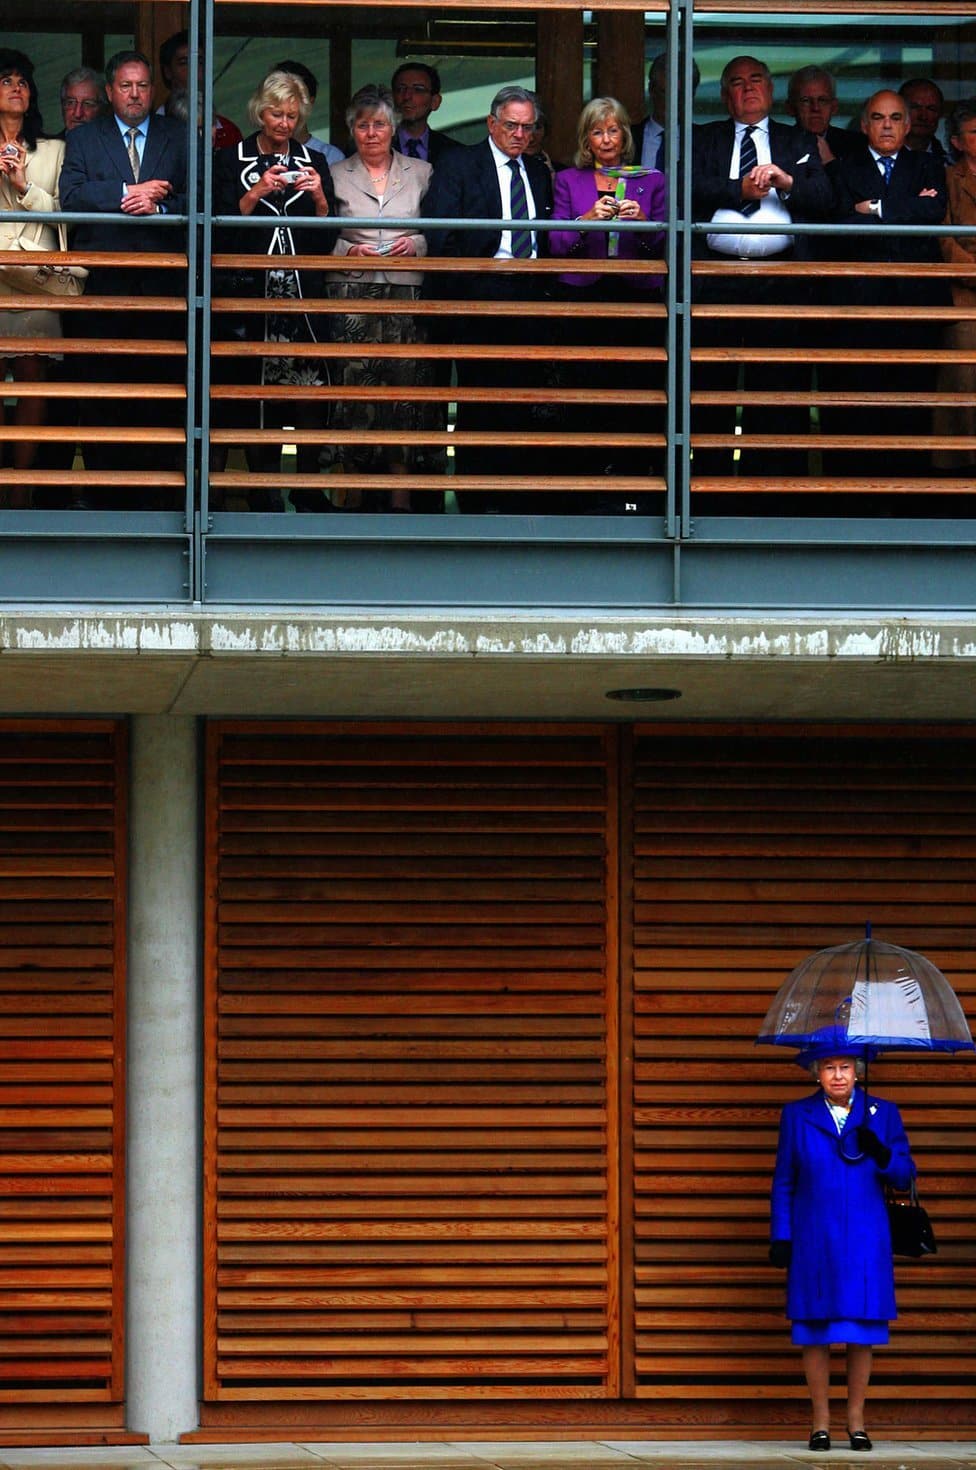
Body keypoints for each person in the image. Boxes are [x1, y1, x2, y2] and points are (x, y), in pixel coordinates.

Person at [691, 55, 832, 480]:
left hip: (781, 280)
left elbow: (825, 198)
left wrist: (787, 183)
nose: (748, 88)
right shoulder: (705, 138)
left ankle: (771, 493)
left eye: (756, 80)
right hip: (715, 279)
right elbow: (686, 188)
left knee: (777, 390)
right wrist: (740, 189)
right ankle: (708, 490)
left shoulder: (798, 141)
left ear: (771, 91)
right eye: (736, 82)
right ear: (724, 96)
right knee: (709, 388)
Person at [770, 1047, 915, 1452]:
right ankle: (820, 1423)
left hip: (866, 1239)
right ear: (817, 1073)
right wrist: (781, 1236)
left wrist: (882, 1151)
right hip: (813, 1237)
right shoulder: (797, 1115)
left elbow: (904, 1174)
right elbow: (784, 1180)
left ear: (858, 1071)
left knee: (861, 1330)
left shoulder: (882, 1112)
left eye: (845, 1067)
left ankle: (856, 1423)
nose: (838, 1075)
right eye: (830, 1068)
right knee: (814, 1329)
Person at [59, 49, 188, 505]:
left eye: (143, 86)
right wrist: (127, 193)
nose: (135, 95)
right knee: (101, 386)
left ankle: (156, 493)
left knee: (158, 387)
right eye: (126, 86)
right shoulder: (86, 137)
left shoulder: (177, 134)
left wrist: (163, 206)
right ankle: (103, 491)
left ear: (153, 91)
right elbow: (70, 195)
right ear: (110, 91)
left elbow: (198, 198)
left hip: (163, 285)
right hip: (105, 283)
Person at [421, 84, 553, 510]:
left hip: (530, 297)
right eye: (511, 125)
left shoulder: (535, 170)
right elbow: (441, 234)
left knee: (522, 403)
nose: (519, 134)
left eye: (527, 127)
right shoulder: (460, 162)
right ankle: (477, 500)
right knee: (480, 403)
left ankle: (514, 496)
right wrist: (473, 288)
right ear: (491, 123)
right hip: (478, 295)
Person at [212, 69, 336, 511]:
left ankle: (307, 490)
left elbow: (327, 238)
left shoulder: (314, 160)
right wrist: (256, 192)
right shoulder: (230, 158)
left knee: (308, 390)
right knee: (254, 394)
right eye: (275, 113)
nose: (284, 123)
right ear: (259, 112)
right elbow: (219, 232)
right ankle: (262, 490)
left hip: (301, 292)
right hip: (252, 292)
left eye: (291, 114)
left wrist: (320, 198)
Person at [823, 89, 947, 481]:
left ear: (908, 125)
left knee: (912, 402)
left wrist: (874, 207)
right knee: (861, 403)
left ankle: (907, 495)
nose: (888, 125)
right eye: (878, 118)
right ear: (864, 125)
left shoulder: (929, 166)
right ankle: (859, 497)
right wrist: (903, 207)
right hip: (861, 305)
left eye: (895, 118)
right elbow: (841, 223)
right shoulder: (843, 168)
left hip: (915, 304)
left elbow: (931, 211)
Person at [324, 83, 436, 508]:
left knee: (404, 390)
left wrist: (418, 245)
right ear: (352, 130)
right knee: (355, 390)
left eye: (380, 125)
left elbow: (435, 232)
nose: (372, 133)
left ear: (394, 129)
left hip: (407, 291)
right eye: (363, 125)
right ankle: (352, 490)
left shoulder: (421, 172)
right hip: (353, 289)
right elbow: (323, 233)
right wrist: (348, 249)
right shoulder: (334, 173)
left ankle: (400, 494)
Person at [549, 96, 665, 502]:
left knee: (633, 392)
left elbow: (664, 244)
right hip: (583, 295)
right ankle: (587, 484)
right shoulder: (568, 180)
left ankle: (633, 486)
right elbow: (557, 244)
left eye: (613, 130)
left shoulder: (652, 179)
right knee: (586, 390)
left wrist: (644, 223)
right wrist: (587, 220)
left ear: (625, 135)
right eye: (597, 131)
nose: (606, 138)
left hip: (636, 297)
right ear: (586, 139)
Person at [0, 48, 65, 507]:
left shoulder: (55, 148)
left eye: (23, 80)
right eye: (5, 79)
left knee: (32, 377)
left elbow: (64, 214)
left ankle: (21, 488)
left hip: (32, 276)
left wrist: (24, 184)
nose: (17, 86)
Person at [933, 100, 976, 471]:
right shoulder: (947, 178)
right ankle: (960, 481)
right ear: (958, 142)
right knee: (963, 387)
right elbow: (944, 239)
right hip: (965, 297)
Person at [158, 30, 241, 150]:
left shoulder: (228, 132)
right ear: (168, 71)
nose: (194, 69)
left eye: (200, 62)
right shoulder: (151, 129)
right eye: (184, 63)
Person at [633, 52, 700, 175]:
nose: (673, 101)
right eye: (666, 93)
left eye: (680, 94)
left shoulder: (704, 142)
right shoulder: (628, 138)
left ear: (692, 95)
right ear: (651, 90)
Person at [786, 65, 863, 163]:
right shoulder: (777, 145)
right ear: (790, 108)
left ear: (834, 107)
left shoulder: (856, 146)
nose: (815, 108)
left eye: (823, 100)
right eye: (806, 101)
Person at [391, 63, 461, 167]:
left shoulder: (455, 153)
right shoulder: (372, 146)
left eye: (418, 90)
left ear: (435, 101)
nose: (407, 96)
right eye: (401, 89)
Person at [273, 61, 342, 167]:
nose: (284, 104)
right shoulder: (249, 153)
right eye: (276, 97)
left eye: (293, 97)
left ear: (310, 102)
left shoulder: (330, 157)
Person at [899, 78, 949, 162]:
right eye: (915, 107)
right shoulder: (877, 160)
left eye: (931, 109)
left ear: (940, 113)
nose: (923, 116)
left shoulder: (948, 165)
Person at [57, 66, 103, 137]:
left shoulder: (115, 146)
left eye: (88, 104)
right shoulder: (50, 147)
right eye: (71, 102)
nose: (77, 114)